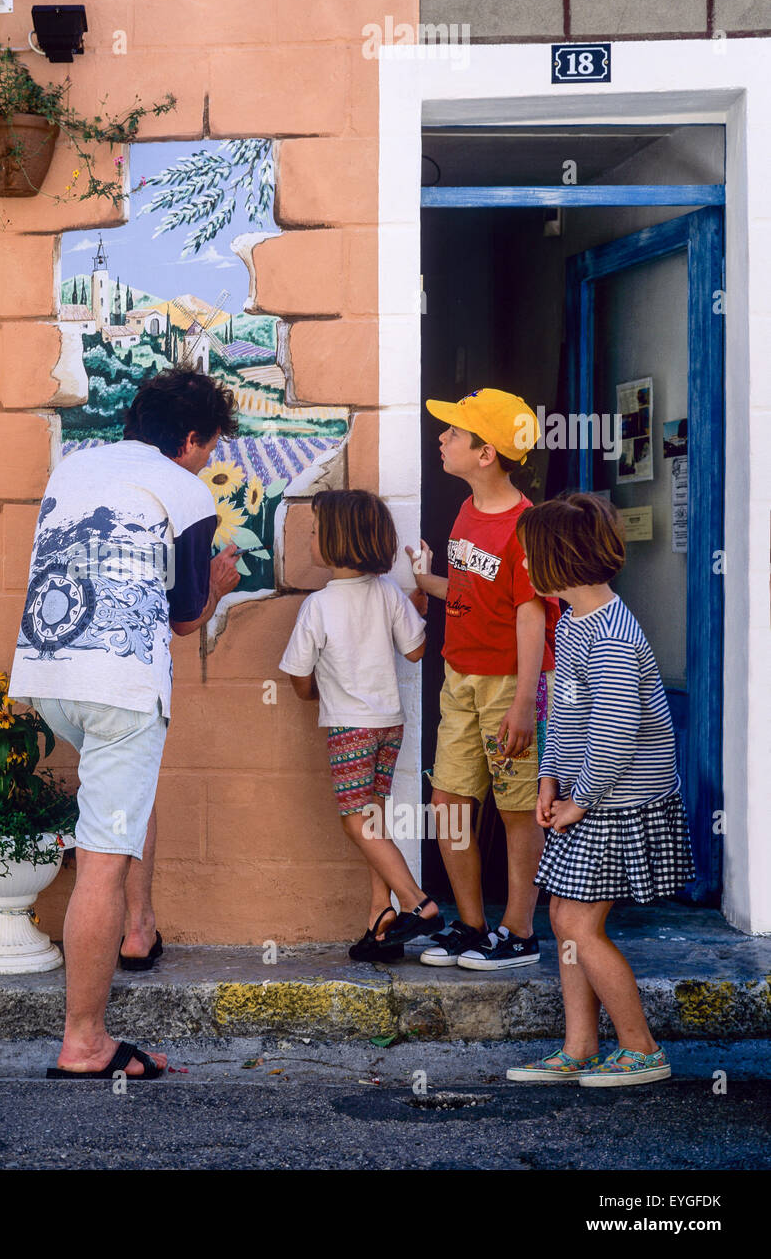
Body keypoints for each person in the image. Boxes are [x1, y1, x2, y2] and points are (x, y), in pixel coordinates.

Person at [10, 368, 241, 1081]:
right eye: (210, 447)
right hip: (121, 685)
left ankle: (138, 929)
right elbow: (183, 619)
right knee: (100, 860)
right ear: (193, 438)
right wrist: (223, 584)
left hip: (46, 675)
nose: (210, 460)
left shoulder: (74, 466)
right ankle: (84, 1040)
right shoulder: (186, 489)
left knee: (120, 805)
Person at [506, 494, 693, 1086]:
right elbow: (563, 717)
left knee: (580, 927)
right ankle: (581, 1046)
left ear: (558, 560)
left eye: (530, 554)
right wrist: (548, 780)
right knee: (563, 917)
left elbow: (614, 733)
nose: (525, 564)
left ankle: (641, 1049)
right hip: (586, 799)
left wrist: (580, 797)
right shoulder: (576, 621)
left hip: (617, 804)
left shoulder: (610, 633)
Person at [407, 388, 559, 969]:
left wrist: (524, 704)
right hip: (460, 677)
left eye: (454, 433)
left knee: (518, 807)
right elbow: (471, 592)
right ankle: (471, 926)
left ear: (486, 452)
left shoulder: (528, 528)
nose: (441, 440)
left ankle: (518, 931)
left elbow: (531, 617)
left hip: (510, 685)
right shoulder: (467, 511)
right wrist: (426, 583)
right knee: (447, 799)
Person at [279, 490, 439, 961]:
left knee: (356, 823)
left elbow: (298, 676)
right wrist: (415, 606)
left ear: (334, 541)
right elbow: (415, 650)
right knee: (375, 816)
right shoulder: (388, 591)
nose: (309, 538)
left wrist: (314, 696)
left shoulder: (319, 606)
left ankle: (417, 901)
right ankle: (380, 914)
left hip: (349, 728)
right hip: (390, 724)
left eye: (313, 532)